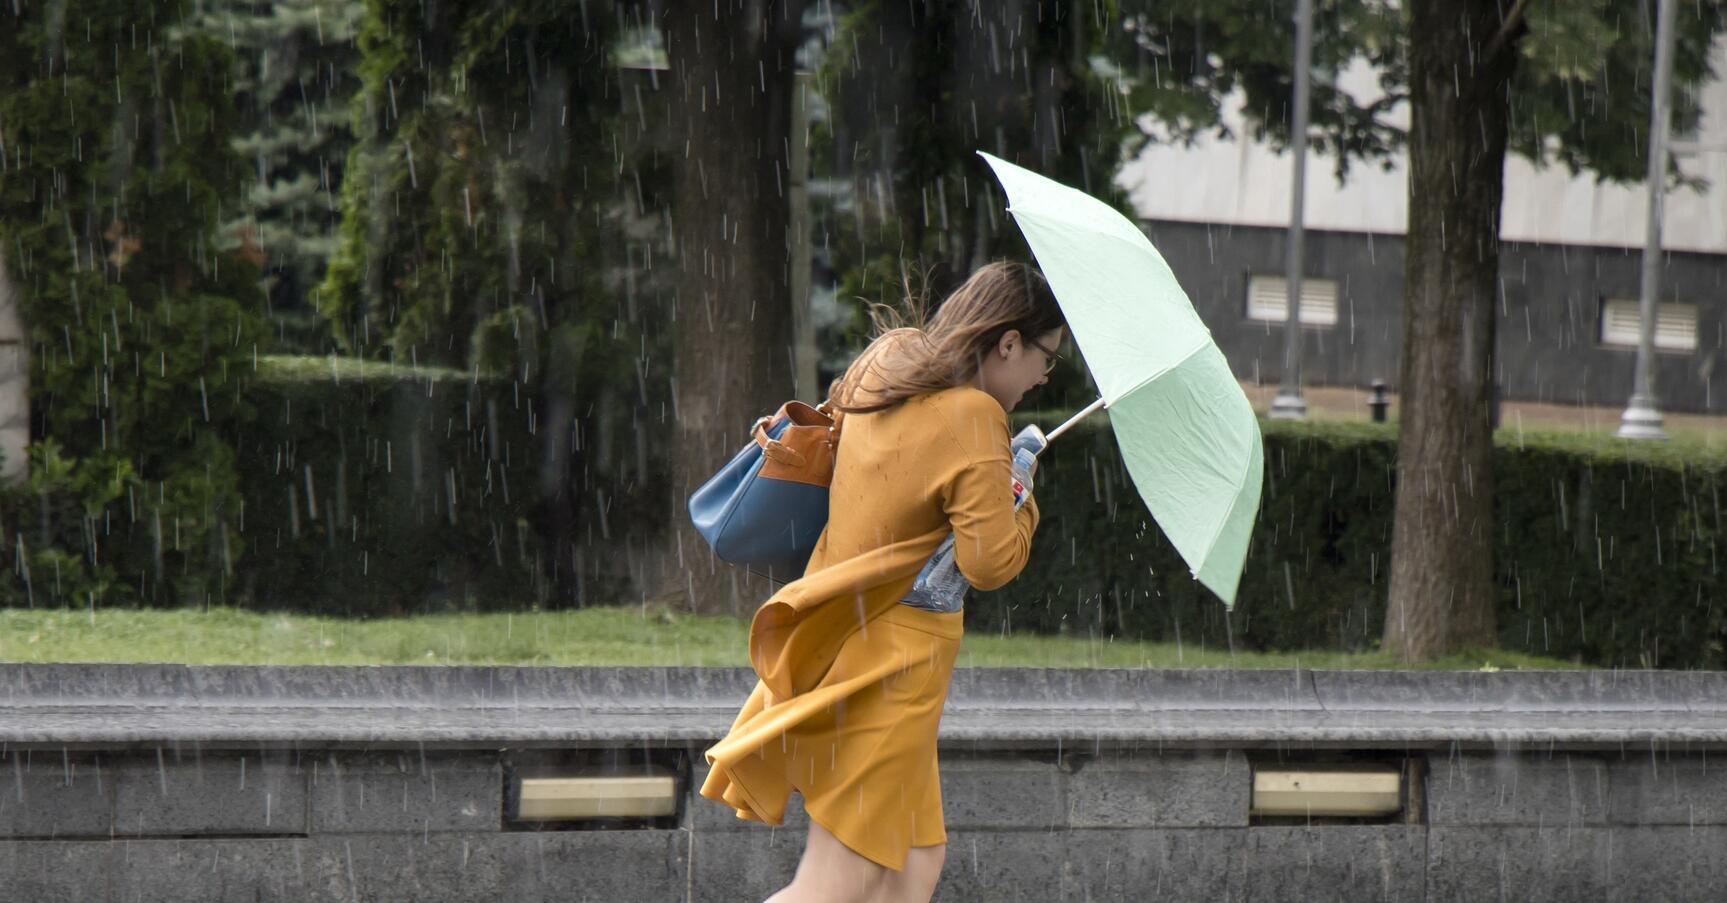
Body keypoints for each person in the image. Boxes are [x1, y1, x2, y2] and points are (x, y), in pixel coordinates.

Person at [699, 260, 1065, 903]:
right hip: (896, 664)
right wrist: (1022, 489)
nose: (1042, 376)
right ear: (1008, 342)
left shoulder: (887, 360)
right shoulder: (976, 418)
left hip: (841, 628)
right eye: (1045, 357)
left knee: (914, 866)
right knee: (839, 880)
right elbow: (988, 564)